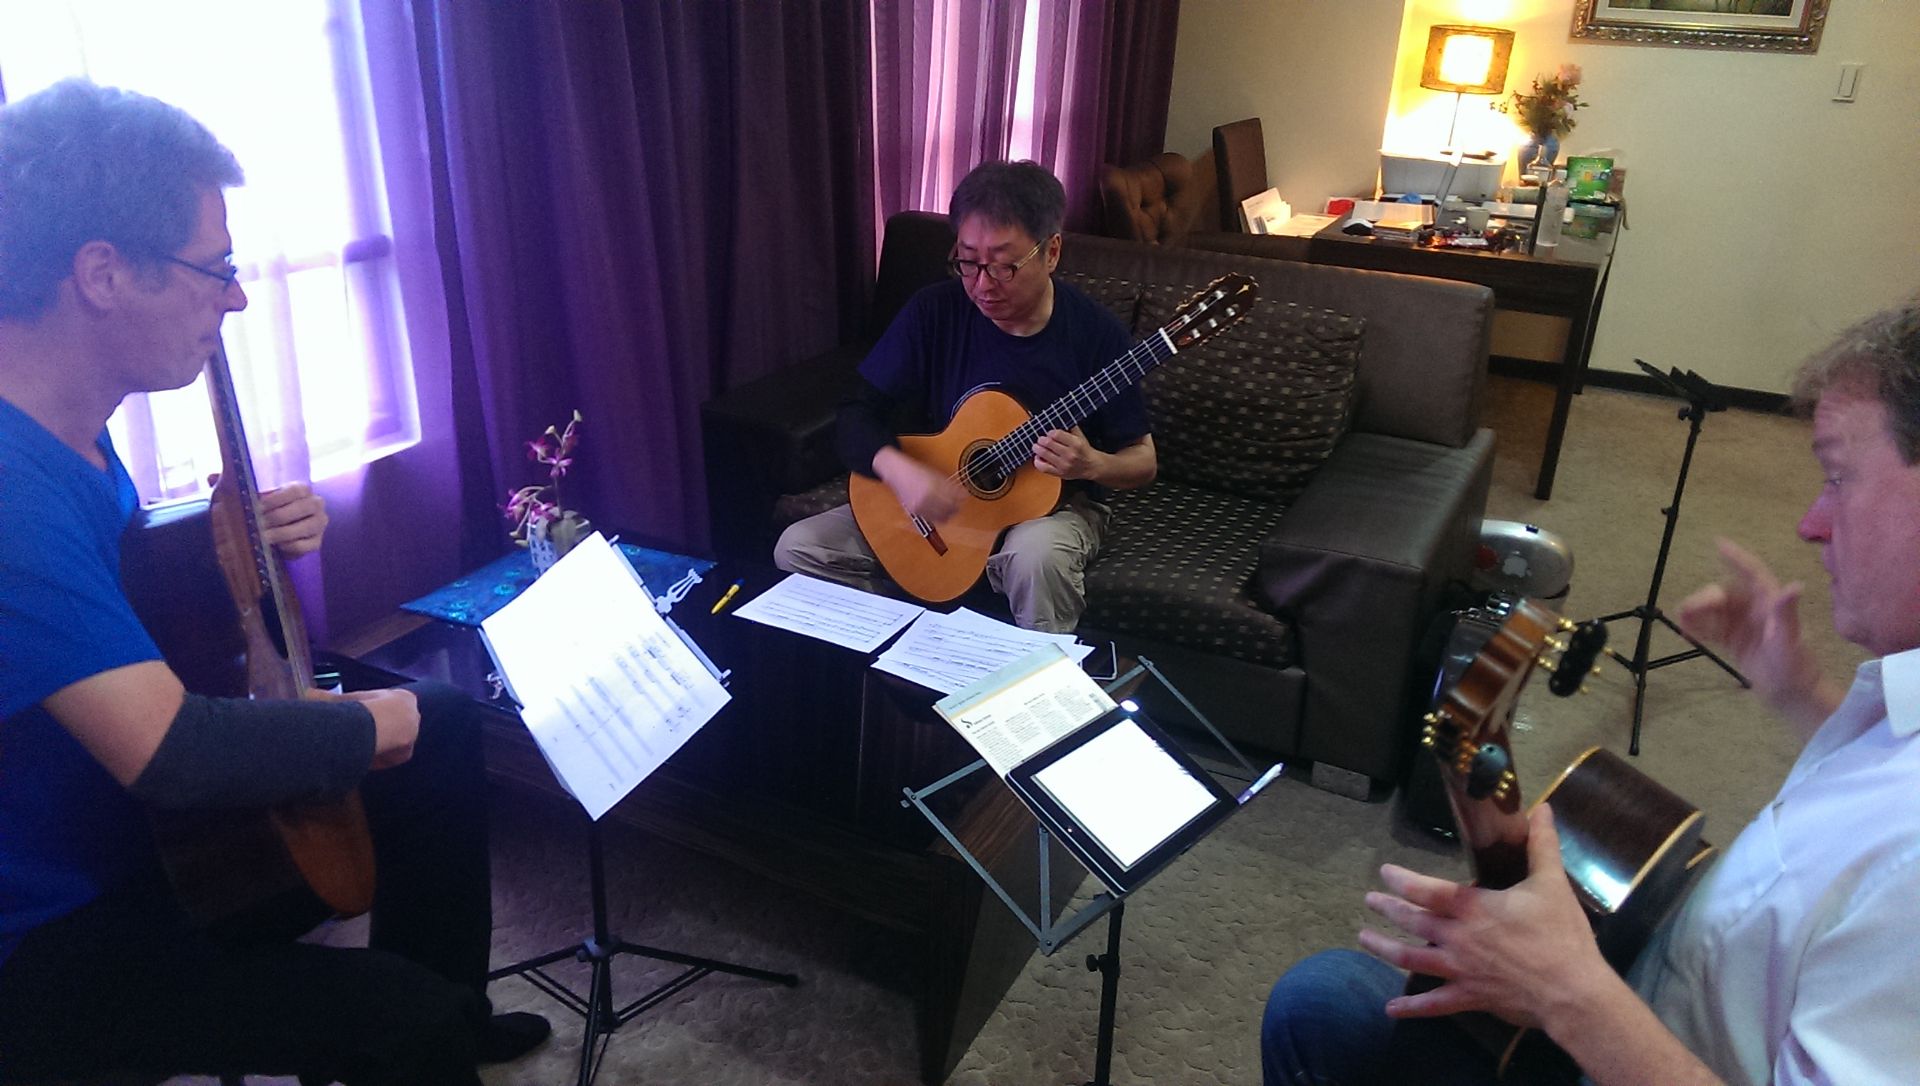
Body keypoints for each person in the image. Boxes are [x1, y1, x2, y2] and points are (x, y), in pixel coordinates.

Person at [0, 80, 547, 1085]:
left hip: (125, 823)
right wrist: (377, 725)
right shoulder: (9, 489)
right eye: (215, 270)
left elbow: (101, 585)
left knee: (441, 725)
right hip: (47, 928)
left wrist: (225, 545)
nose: (238, 298)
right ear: (102, 274)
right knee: (400, 1022)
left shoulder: (70, 431)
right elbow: (172, 754)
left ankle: (457, 1008)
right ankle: (434, 1023)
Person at [1261, 297, 1920, 1086]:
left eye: (1839, 477)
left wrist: (1567, 993)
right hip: (1654, 998)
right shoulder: (1899, 701)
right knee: (1324, 1002)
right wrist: (1801, 694)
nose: (1810, 523)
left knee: (1317, 1006)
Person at [773, 160, 1156, 633]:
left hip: (1053, 509)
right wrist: (902, 473)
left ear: (1051, 252)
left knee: (1035, 559)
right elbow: (856, 413)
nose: (982, 284)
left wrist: (1092, 464)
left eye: (1004, 266)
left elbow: (1143, 460)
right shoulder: (934, 311)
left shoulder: (1096, 333)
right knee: (798, 547)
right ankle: (917, 643)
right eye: (968, 262)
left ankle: (1034, 676)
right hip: (941, 497)